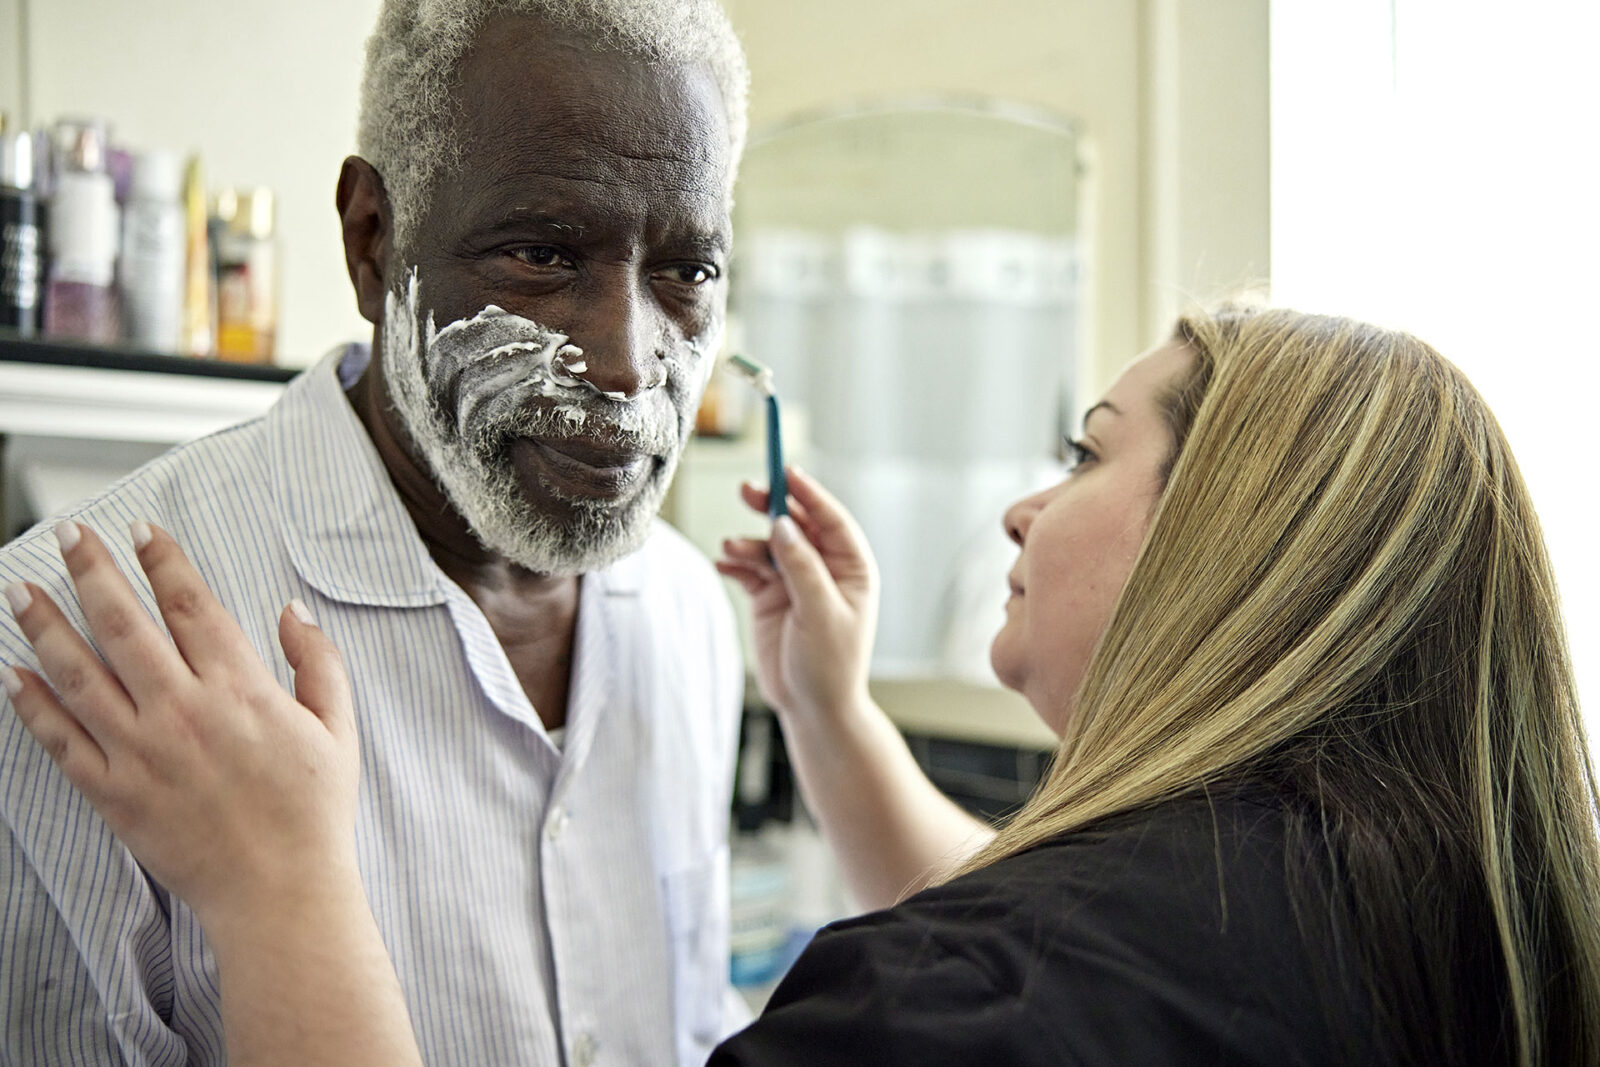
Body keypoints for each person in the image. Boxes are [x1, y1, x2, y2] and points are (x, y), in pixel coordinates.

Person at [10, 304, 1600, 1065]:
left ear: (1234, 540)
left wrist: (284, 885)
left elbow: (1033, 978)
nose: (1024, 506)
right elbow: (1097, 938)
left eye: (1085, 452)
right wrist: (832, 714)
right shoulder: (1439, 908)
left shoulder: (969, 1010)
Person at [0, 2, 753, 1064]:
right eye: (541, 254)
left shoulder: (688, 611)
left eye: (689, 272)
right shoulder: (75, 649)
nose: (630, 363)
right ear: (371, 241)